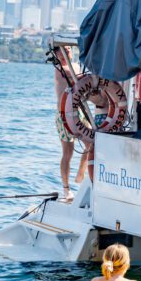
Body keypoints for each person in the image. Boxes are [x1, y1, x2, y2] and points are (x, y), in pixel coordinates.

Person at [54, 46, 87, 201]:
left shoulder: (76, 66)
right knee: (68, 152)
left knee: (91, 145)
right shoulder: (60, 68)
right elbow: (78, 79)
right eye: (62, 49)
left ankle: (81, 175)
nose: (66, 50)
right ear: (56, 53)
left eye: (67, 47)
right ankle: (66, 189)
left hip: (79, 111)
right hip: (64, 114)